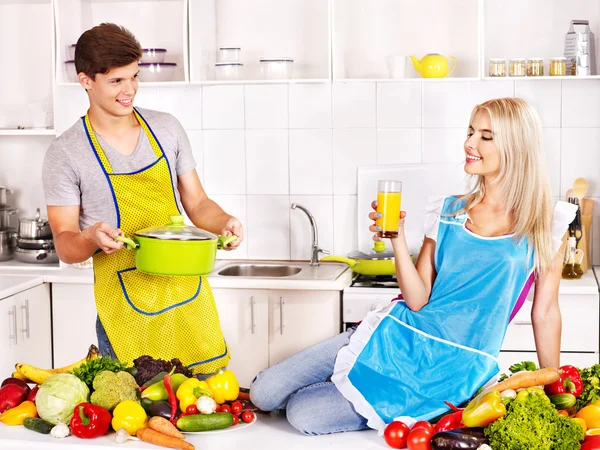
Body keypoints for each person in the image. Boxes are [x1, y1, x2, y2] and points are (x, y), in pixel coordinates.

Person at [249, 98, 577, 435]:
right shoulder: (449, 211)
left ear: (516, 146)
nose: (469, 143)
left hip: (451, 369)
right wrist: (398, 238)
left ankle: (360, 389)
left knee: (304, 416)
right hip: (399, 334)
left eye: (485, 136)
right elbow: (419, 299)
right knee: (264, 393)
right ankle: (353, 372)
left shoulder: (546, 223)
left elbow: (546, 312)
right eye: (470, 132)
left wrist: (552, 388)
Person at [42, 23, 244, 376]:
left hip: (186, 296)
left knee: (205, 405)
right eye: (116, 81)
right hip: (123, 307)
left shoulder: (166, 129)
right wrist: (90, 237)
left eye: (134, 77)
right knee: (135, 418)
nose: (130, 90)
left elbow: (197, 204)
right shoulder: (65, 153)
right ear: (86, 80)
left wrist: (224, 221)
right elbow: (65, 244)